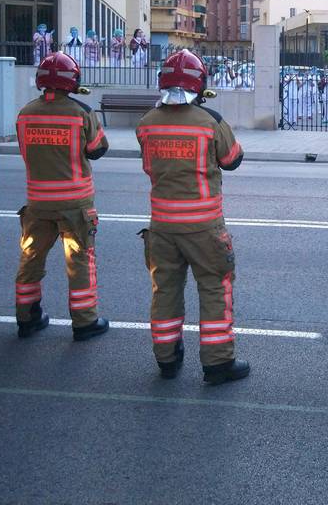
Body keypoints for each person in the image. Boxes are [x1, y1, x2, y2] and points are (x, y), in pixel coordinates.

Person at [136, 49, 249, 385]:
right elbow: (232, 159)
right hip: (203, 228)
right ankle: (217, 364)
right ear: (199, 85)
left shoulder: (146, 124)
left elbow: (149, 168)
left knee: (165, 289)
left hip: (162, 226)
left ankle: (167, 359)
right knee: (214, 288)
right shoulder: (210, 122)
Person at [14, 51, 110, 341]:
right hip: (74, 205)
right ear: (72, 80)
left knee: (31, 258)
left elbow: (24, 151)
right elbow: (97, 148)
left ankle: (27, 317)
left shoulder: (26, 113)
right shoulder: (81, 112)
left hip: (37, 203)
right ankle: (84, 322)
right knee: (79, 262)